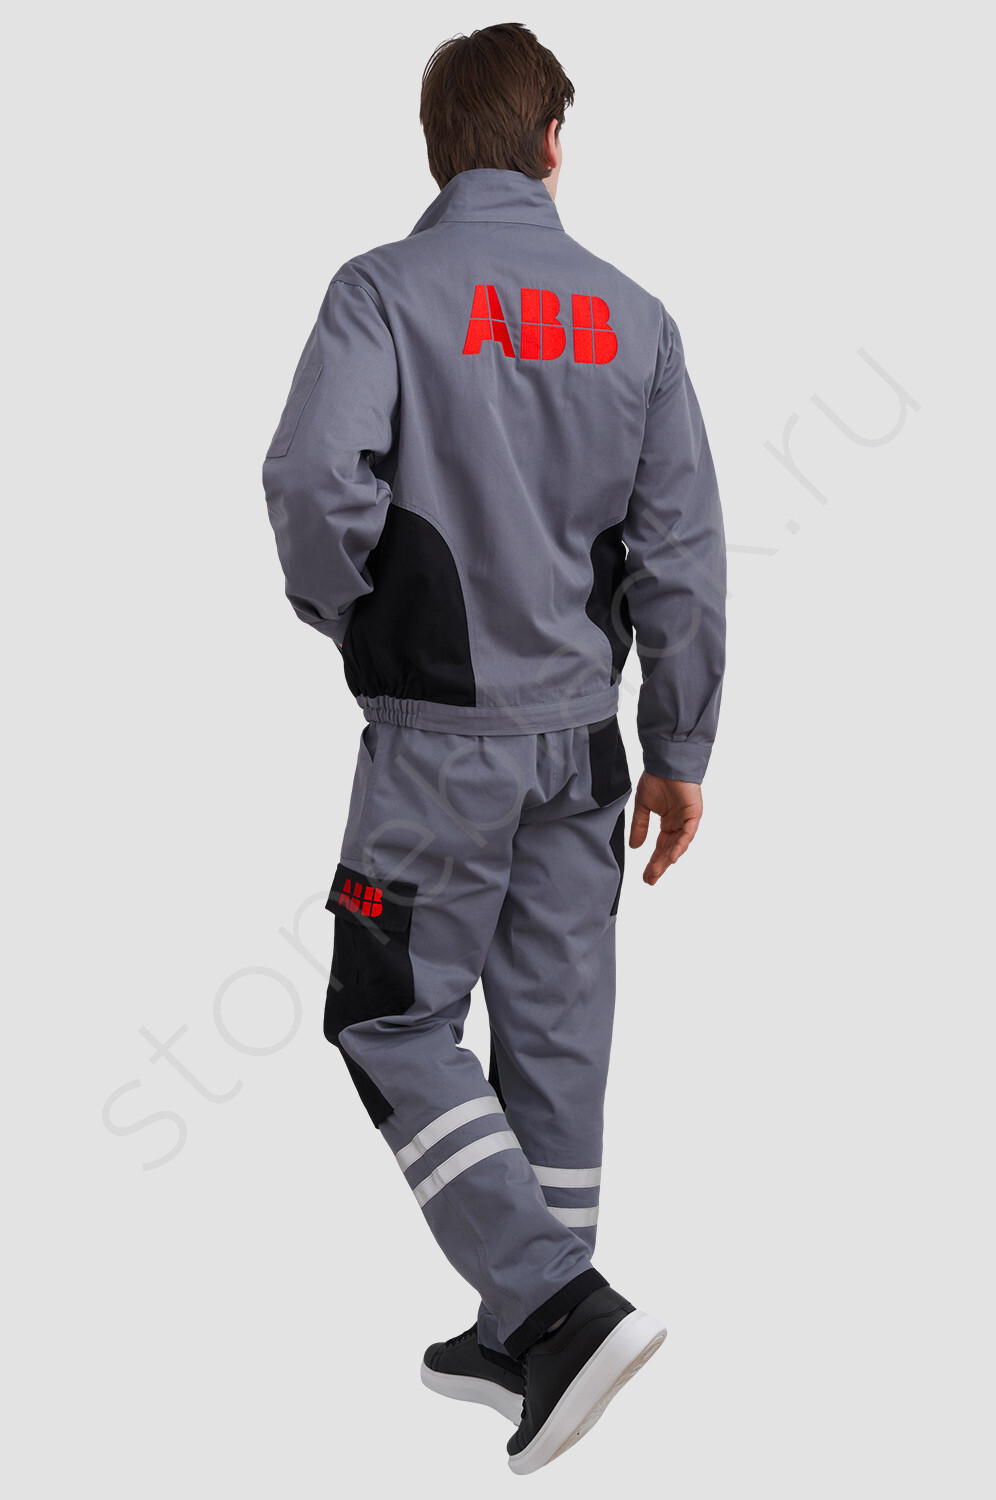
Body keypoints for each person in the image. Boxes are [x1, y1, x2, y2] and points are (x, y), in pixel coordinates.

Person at [261, 21, 727, 1475]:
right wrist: (680, 745)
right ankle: (530, 1325)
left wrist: (365, 622)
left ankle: (555, 1308)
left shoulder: (382, 293)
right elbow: (683, 556)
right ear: (552, 145)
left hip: (440, 747)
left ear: (437, 150)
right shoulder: (637, 319)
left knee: (387, 1017)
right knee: (554, 1038)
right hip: (584, 751)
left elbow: (311, 483)